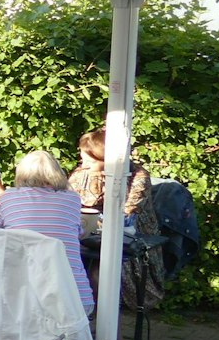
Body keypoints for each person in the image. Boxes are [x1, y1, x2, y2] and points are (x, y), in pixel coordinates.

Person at [69, 127, 164, 312]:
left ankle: (104, 322)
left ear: (107, 159)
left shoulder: (137, 177)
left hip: (129, 237)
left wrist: (101, 183)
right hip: (88, 234)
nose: (83, 164)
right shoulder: (82, 172)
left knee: (100, 272)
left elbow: (126, 212)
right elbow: (69, 198)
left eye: (90, 160)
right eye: (83, 158)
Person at [0, 150, 94, 313]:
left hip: (23, 299)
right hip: (74, 297)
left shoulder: (7, 198)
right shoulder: (72, 198)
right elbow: (77, 232)